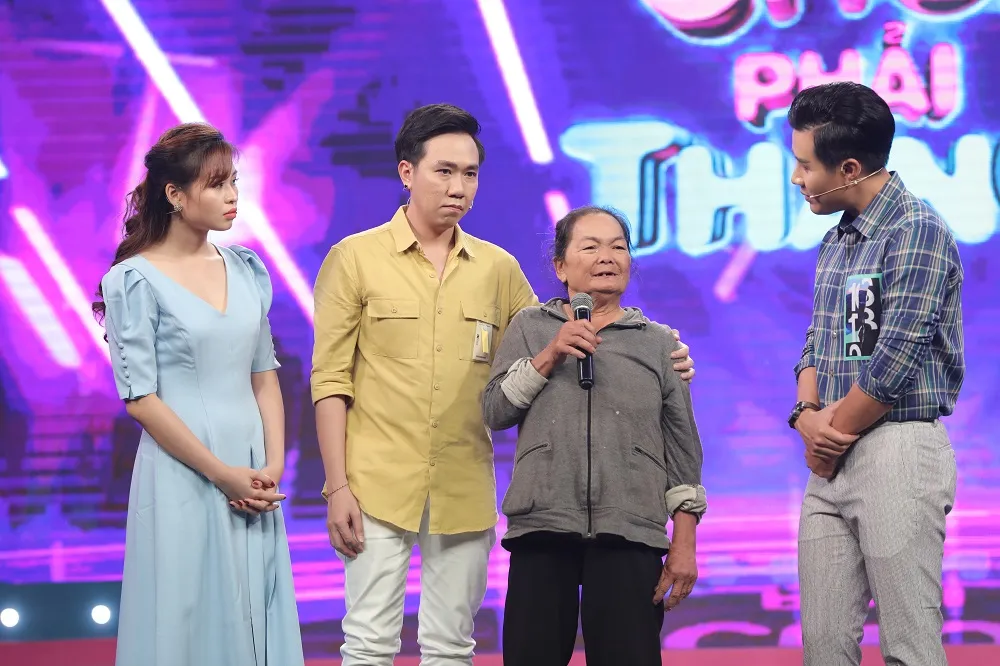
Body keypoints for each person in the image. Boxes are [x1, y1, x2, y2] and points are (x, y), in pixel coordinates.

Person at [311, 104, 696, 665]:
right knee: (369, 642)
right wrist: (337, 486)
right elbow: (330, 379)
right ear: (406, 172)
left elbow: (554, 335)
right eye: (444, 171)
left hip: (463, 485)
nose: (458, 187)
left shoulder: (498, 269)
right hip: (374, 482)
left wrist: (664, 352)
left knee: (451, 646)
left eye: (469, 174)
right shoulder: (354, 258)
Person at [92, 123, 304, 666]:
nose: (232, 195)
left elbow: (264, 374)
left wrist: (272, 465)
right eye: (216, 184)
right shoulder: (134, 280)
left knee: (257, 605)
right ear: (175, 194)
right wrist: (220, 473)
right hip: (182, 469)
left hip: (252, 470)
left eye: (234, 182)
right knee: (188, 613)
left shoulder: (246, 269)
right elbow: (140, 399)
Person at [481, 205, 706, 666]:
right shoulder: (530, 327)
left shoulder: (659, 343)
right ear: (560, 266)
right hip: (543, 526)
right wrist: (550, 355)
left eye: (618, 247)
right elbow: (496, 410)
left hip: (631, 531)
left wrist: (684, 543)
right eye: (590, 246)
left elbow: (683, 449)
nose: (607, 256)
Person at [787, 82, 964, 666]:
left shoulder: (916, 229)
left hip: (895, 448)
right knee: (824, 648)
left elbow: (896, 360)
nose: (796, 178)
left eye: (805, 166)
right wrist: (805, 416)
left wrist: (825, 439)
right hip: (831, 454)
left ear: (849, 168)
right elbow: (816, 341)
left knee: (909, 645)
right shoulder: (835, 242)